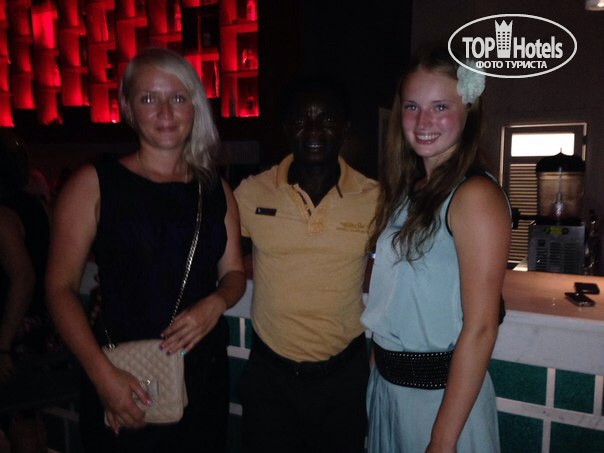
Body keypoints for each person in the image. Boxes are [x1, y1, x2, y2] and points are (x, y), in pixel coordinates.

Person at [46, 47, 246, 452]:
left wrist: (216, 303)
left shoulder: (216, 189)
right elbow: (59, 288)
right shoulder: (94, 183)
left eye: (178, 97)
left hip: (202, 375)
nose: (166, 112)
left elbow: (235, 273)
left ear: (195, 106)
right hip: (124, 373)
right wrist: (103, 377)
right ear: (128, 108)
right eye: (149, 98)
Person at [361, 47, 511, 452]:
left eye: (440, 107)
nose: (423, 121)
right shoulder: (407, 192)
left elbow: (481, 328)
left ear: (468, 111)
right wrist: (375, 380)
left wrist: (442, 441)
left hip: (441, 406)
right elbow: (394, 301)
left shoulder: (475, 196)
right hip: (389, 391)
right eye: (412, 107)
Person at [234, 77, 379, 453]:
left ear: (345, 127)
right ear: (286, 128)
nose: (313, 130)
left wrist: (472, 286)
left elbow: (414, 257)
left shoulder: (375, 198)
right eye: (301, 120)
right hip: (270, 377)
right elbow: (208, 248)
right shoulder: (251, 193)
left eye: (326, 119)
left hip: (343, 378)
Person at [0, 136, 50, 452]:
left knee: (18, 423)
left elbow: (23, 278)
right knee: (30, 420)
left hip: (15, 332)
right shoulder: (37, 205)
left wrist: (3, 346)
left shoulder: (3, 214)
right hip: (40, 327)